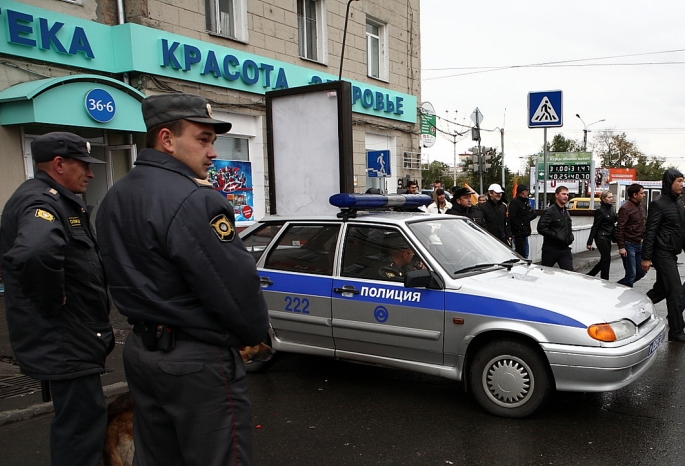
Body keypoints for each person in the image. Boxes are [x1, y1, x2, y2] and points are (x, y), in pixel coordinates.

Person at [96, 93, 269, 464]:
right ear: (166, 139)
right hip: (197, 361)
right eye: (203, 139)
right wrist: (253, 334)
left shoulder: (115, 195)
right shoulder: (196, 199)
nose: (211, 152)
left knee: (159, 457)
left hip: (142, 352)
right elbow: (235, 289)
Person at [0, 132, 114, 466]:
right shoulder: (42, 202)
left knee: (77, 424)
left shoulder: (53, 199)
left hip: (69, 340)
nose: (90, 174)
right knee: (80, 431)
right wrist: (50, 302)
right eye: (83, 165)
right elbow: (34, 252)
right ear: (59, 164)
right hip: (66, 341)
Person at [641, 169, 685, 343]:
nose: (682, 184)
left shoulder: (678, 203)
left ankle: (635, 308)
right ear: (670, 182)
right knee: (675, 291)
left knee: (661, 289)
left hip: (671, 252)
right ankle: (676, 331)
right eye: (679, 181)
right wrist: (646, 257)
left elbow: (681, 231)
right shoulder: (658, 204)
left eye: (683, 181)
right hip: (661, 253)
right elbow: (650, 232)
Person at [616, 184, 646, 287]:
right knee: (631, 274)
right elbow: (620, 228)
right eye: (641, 193)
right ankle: (620, 292)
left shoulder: (640, 206)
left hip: (638, 243)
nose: (644, 195)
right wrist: (621, 247)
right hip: (628, 245)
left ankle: (617, 287)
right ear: (634, 194)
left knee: (641, 272)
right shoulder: (625, 208)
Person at [537, 185, 574, 271]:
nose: (566, 196)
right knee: (546, 273)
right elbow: (541, 228)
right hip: (551, 250)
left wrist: (570, 237)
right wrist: (555, 236)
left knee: (569, 274)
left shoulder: (566, 212)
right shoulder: (550, 211)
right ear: (556, 195)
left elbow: (567, 227)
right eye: (563, 194)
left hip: (565, 249)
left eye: (567, 195)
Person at [586, 190, 617, 280]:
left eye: (612, 197)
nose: (611, 199)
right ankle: (604, 279)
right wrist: (590, 242)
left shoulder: (611, 209)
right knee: (606, 258)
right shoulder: (600, 211)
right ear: (603, 199)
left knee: (605, 259)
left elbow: (613, 222)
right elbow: (595, 226)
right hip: (601, 236)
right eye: (609, 197)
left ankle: (591, 274)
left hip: (608, 236)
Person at [508, 184, 537, 258]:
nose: (527, 192)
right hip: (518, 233)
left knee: (526, 253)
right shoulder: (515, 202)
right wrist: (521, 225)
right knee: (521, 253)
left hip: (525, 232)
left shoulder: (526, 202)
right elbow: (512, 217)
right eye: (526, 191)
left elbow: (527, 215)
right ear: (522, 192)